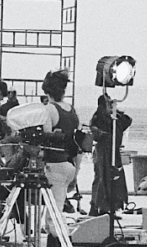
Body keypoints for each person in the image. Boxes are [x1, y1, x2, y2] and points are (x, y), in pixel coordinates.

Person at [39, 69, 81, 214]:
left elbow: (45, 137)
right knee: (58, 205)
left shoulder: (49, 109)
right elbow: (79, 143)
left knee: (54, 211)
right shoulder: (72, 110)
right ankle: (52, 235)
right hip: (71, 165)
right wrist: (76, 173)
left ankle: (57, 236)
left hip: (54, 164)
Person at [89, 94, 132, 216]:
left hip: (114, 151)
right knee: (101, 178)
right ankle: (96, 205)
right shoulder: (98, 117)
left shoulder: (116, 119)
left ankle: (111, 206)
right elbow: (95, 133)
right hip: (103, 151)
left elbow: (127, 121)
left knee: (115, 178)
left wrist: (115, 112)